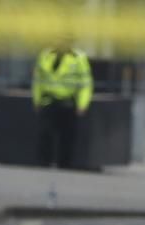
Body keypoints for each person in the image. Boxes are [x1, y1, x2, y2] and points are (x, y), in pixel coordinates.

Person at [32, 36, 93, 169]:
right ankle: (44, 162)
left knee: (67, 135)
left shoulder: (78, 58)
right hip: (48, 100)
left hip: (68, 102)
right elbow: (38, 80)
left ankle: (64, 163)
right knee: (45, 133)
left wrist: (82, 104)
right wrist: (36, 99)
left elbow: (85, 84)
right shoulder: (46, 55)